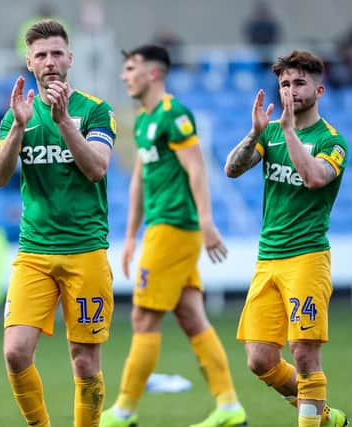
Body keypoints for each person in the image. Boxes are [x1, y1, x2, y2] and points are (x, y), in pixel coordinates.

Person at [100, 45, 247, 427]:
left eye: (130, 68)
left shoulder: (174, 114)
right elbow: (138, 181)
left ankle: (125, 410)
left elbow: (197, 168)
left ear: (153, 73)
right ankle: (229, 407)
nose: (123, 75)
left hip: (174, 228)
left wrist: (207, 222)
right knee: (192, 317)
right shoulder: (145, 119)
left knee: (143, 317)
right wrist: (131, 236)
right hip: (159, 229)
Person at [0, 19, 116, 427]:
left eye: (57, 53)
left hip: (85, 251)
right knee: (14, 352)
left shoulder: (95, 110)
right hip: (35, 252)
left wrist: (63, 122)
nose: (50, 62)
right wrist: (20, 128)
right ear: (29, 62)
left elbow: (96, 168)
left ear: (70, 58)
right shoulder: (17, 116)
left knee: (84, 361)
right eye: (41, 55)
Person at [225, 50, 349, 427]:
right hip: (268, 259)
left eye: (299, 83)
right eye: (284, 84)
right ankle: (325, 416)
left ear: (319, 89)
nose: (290, 90)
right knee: (259, 359)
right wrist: (255, 133)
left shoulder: (332, 141)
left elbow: (314, 177)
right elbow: (232, 168)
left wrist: (291, 131)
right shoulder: (272, 134)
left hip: (307, 258)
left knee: (303, 353)